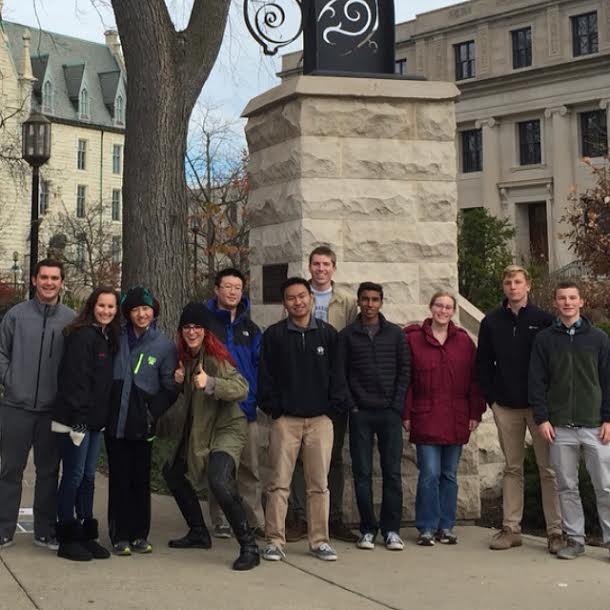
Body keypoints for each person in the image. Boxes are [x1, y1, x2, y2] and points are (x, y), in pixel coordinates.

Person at [162, 302, 259, 571]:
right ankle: (198, 532)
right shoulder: (186, 358)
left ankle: (249, 547)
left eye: (197, 327)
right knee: (172, 472)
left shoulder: (215, 358)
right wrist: (179, 381)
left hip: (227, 429)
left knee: (219, 481)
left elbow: (242, 388)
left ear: (206, 331)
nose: (192, 332)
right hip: (200, 429)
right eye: (187, 327)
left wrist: (211, 383)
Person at [476, 265, 563, 553]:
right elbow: (483, 365)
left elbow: (555, 365)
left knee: (548, 469)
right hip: (507, 407)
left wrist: (549, 404)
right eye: (508, 282)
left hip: (540, 410)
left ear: (528, 286)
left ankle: (555, 532)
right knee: (512, 468)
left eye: (518, 282)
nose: (513, 287)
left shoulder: (545, 320)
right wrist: (493, 401)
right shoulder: (491, 322)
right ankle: (511, 528)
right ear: (504, 287)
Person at [258, 277, 344, 562]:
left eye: (302, 296)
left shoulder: (329, 335)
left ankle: (319, 541)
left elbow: (338, 377)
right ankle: (274, 540)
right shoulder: (274, 335)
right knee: (279, 483)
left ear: (311, 298)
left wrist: (332, 409)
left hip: (320, 421)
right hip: (286, 421)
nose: (298, 302)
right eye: (291, 298)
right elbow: (265, 376)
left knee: (318, 484)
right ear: (285, 302)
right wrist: (274, 409)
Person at [530, 281, 610, 560]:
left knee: (606, 486)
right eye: (562, 298)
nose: (567, 302)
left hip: (595, 426)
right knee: (566, 486)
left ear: (581, 302)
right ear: (555, 303)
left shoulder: (599, 338)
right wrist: (542, 419)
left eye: (572, 298)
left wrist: (608, 418)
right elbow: (537, 382)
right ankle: (575, 540)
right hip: (560, 427)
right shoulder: (544, 339)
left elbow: (607, 380)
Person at [0, 259, 75, 551]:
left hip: (51, 411)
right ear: (34, 280)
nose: (48, 283)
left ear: (61, 282)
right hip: (16, 407)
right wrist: (11, 379)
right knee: (10, 470)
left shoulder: (71, 319)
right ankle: (4, 528)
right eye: (43, 277)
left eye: (54, 278)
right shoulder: (16, 316)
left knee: (48, 472)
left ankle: (44, 530)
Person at [287, 245, 358, 543]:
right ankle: (301, 518)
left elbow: (354, 345)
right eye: (316, 264)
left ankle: (334, 518)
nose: (320, 269)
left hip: (333, 391)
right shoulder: (299, 298)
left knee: (334, 458)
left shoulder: (348, 302)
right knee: (300, 458)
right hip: (301, 389)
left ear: (333, 268)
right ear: (310, 267)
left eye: (326, 264)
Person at [404, 291, 485, 546]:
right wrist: (405, 413)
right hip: (425, 416)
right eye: (439, 305)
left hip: (456, 418)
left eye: (448, 307)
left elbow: (475, 381)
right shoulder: (413, 339)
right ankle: (427, 527)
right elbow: (406, 381)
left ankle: (446, 526)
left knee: (449, 474)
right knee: (429, 473)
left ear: (453, 311)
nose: (443, 311)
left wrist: (475, 412)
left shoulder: (463, 341)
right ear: (431, 308)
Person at [105, 287, 178, 556]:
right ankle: (119, 534)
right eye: (135, 309)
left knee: (140, 479)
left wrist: (151, 412)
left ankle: (139, 534)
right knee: (119, 479)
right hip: (115, 422)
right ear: (127, 313)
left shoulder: (163, 346)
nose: (141, 314)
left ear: (153, 311)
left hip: (142, 424)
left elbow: (171, 387)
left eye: (145, 308)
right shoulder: (115, 339)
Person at [340, 282, 410, 551]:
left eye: (375, 299)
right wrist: (353, 406)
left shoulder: (395, 334)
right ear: (358, 301)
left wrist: (396, 405)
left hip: (390, 413)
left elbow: (405, 371)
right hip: (360, 413)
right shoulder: (347, 336)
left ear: (381, 302)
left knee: (392, 472)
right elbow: (341, 374)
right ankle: (367, 528)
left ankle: (391, 530)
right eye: (365, 299)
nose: (370, 304)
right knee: (362, 473)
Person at [52, 287, 120, 561]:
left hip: (96, 422)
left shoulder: (107, 337)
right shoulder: (81, 336)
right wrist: (78, 420)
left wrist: (101, 420)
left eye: (111, 307)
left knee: (90, 477)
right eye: (101, 306)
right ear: (92, 306)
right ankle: (67, 536)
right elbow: (74, 381)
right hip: (76, 421)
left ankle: (86, 532)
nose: (106, 311)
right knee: (74, 476)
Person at [205, 268, 264, 539]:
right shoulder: (205, 325)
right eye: (227, 286)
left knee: (250, 468)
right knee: (219, 467)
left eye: (237, 287)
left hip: (245, 408)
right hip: (215, 408)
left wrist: (253, 398)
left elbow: (259, 367)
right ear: (217, 289)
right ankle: (220, 520)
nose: (232, 292)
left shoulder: (250, 329)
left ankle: (254, 520)